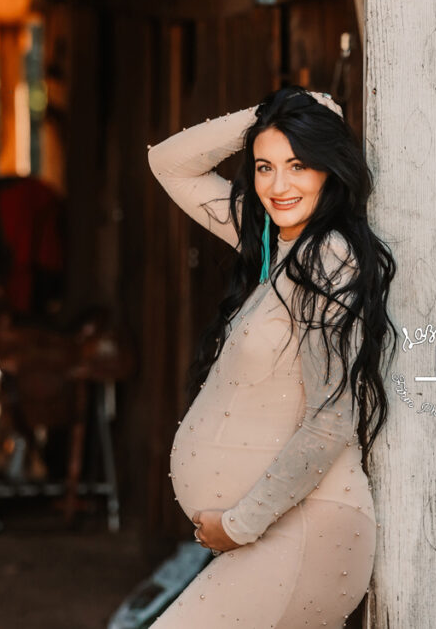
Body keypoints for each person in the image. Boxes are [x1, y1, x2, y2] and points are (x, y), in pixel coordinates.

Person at [145, 86, 398, 628]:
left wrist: (240, 523)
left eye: (299, 165)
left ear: (331, 169)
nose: (278, 186)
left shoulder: (328, 260)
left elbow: (332, 420)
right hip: (274, 535)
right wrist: (269, 115)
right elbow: (168, 164)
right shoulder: (272, 245)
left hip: (303, 534)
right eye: (264, 167)